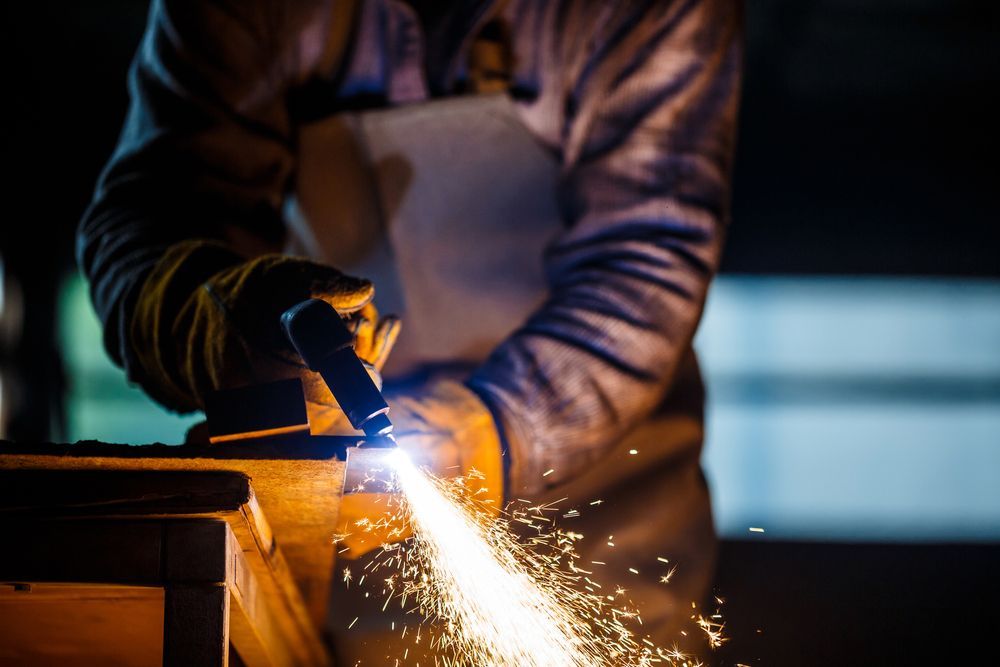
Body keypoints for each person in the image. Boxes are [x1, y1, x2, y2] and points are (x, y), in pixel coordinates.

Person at [78, 0, 741, 662]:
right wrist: (216, 325)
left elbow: (646, 257)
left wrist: (484, 436)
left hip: (610, 512)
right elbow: (149, 219)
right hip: (348, 524)